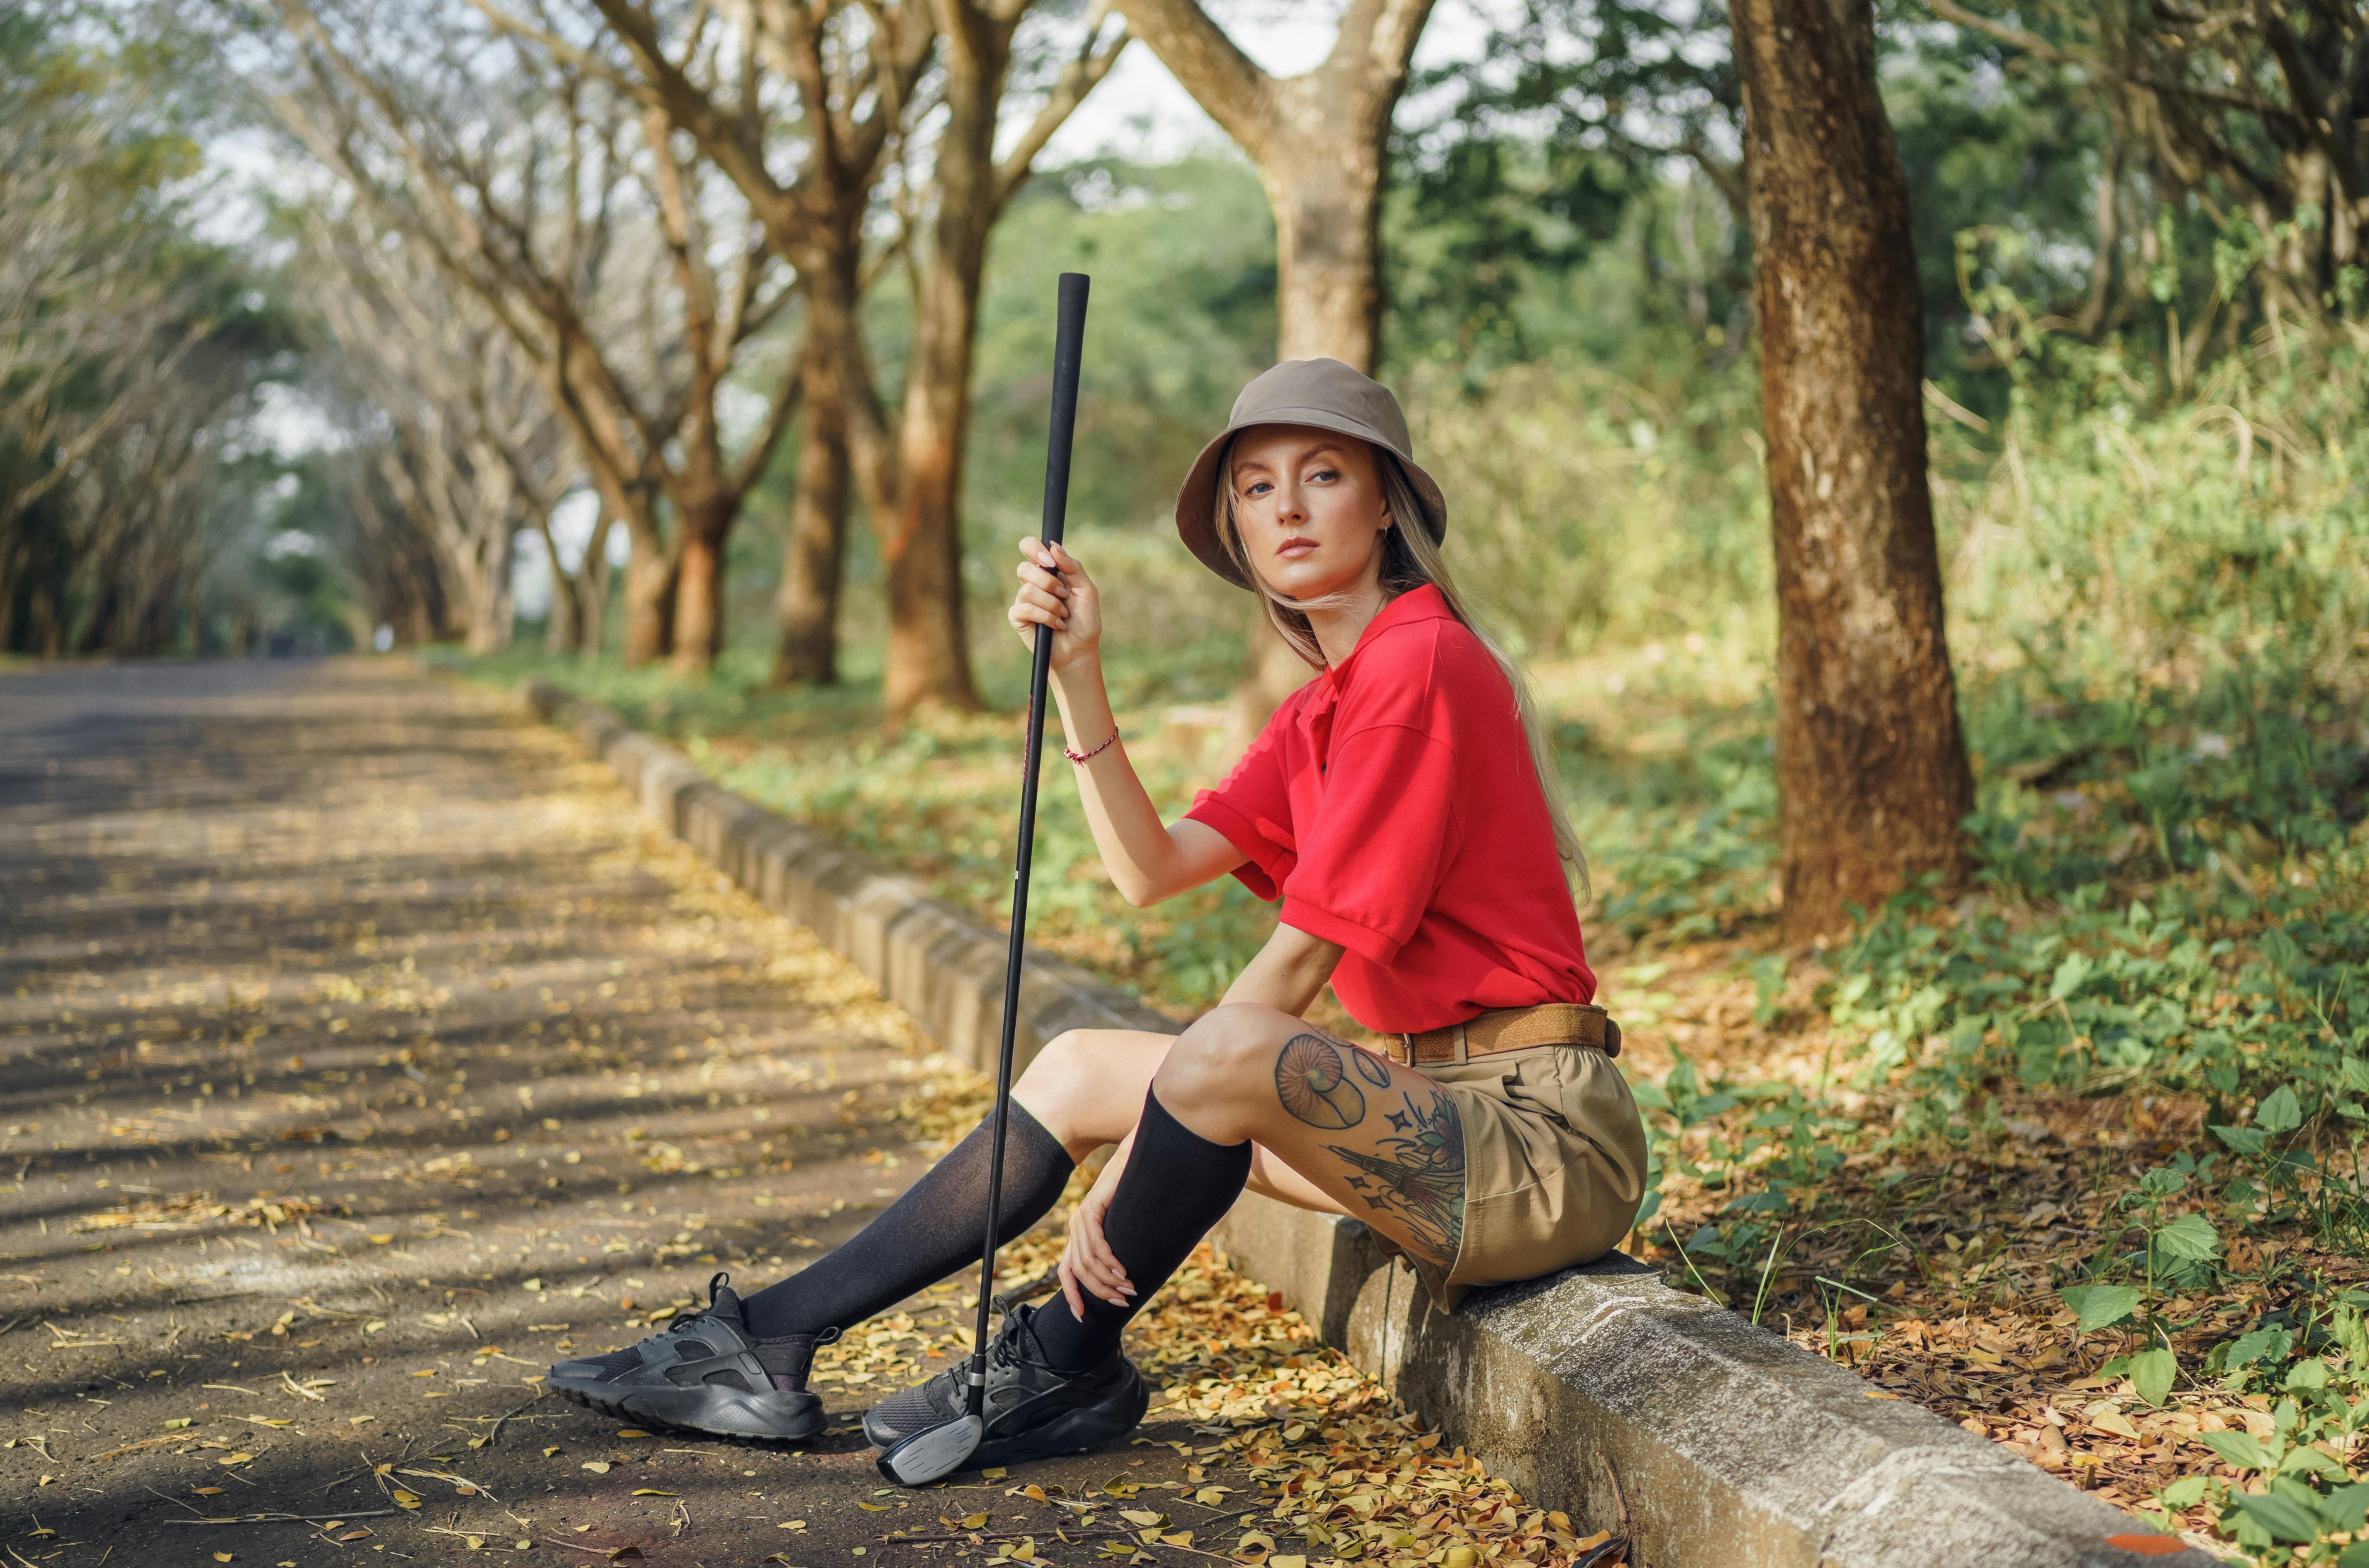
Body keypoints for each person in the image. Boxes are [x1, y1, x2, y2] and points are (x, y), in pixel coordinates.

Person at [545, 359, 1649, 1467]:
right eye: (1257, 488)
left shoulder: (1423, 662)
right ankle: (770, 1337)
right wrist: (1079, 673)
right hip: (1430, 1114)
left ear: (1385, 503)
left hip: (1535, 1147)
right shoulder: (1328, 698)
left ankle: (1063, 1354)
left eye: (1323, 475)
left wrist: (1133, 1162)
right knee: (1077, 1069)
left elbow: (1300, 960)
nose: (1290, 507)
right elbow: (1151, 865)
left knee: (1224, 1047)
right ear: (1238, 528)